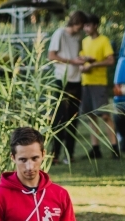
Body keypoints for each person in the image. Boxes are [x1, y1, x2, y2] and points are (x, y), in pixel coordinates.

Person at [48, 11, 88, 165]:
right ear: (77, 22)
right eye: (82, 25)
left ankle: (69, 155)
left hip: (76, 80)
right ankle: (55, 154)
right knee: (59, 119)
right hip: (62, 80)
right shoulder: (60, 34)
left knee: (73, 118)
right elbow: (51, 56)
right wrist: (72, 61)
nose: (82, 29)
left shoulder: (77, 37)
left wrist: (81, 60)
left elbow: (75, 55)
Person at [77, 15, 118, 160]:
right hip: (85, 82)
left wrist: (94, 64)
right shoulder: (84, 41)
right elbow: (81, 60)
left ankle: (114, 148)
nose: (85, 28)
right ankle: (95, 149)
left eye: (88, 25)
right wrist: (83, 66)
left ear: (95, 25)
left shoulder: (104, 41)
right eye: (84, 26)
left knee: (105, 115)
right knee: (91, 116)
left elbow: (110, 60)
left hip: (99, 83)